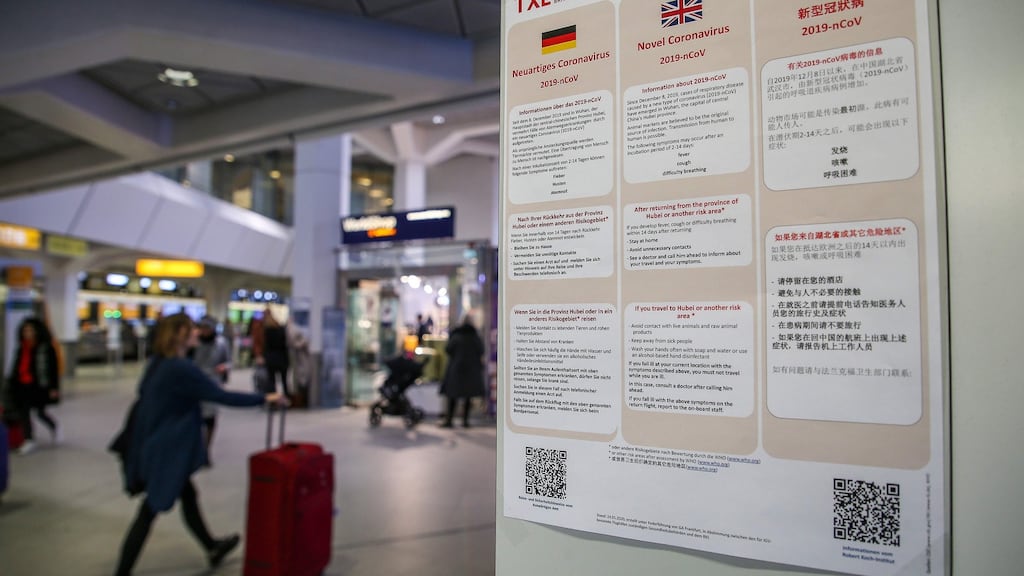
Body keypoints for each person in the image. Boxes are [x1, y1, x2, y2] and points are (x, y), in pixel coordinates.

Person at [113, 313, 285, 576]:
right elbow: (220, 396)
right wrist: (265, 398)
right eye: (191, 330)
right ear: (180, 334)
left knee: (188, 496)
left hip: (154, 441)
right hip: (168, 450)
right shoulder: (180, 369)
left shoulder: (159, 363)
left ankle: (211, 546)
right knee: (150, 509)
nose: (196, 333)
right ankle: (122, 571)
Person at [4, 317, 61, 455]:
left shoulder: (45, 348)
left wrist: (54, 388)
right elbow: (16, 367)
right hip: (22, 386)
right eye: (25, 330)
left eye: (30, 330)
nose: (27, 333)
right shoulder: (22, 347)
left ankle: (54, 427)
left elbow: (53, 370)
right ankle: (29, 439)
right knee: (24, 413)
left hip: (38, 386)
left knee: (40, 413)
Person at [191, 316, 232, 464]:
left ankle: (205, 451)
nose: (204, 331)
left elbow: (228, 361)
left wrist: (224, 369)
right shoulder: (194, 343)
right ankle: (196, 450)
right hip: (195, 383)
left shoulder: (221, 343)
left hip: (212, 383)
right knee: (195, 419)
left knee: (210, 419)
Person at [440, 314, 485, 428]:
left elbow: (448, 349)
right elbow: (481, 351)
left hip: (457, 369)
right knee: (468, 397)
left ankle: (449, 420)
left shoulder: (456, 336)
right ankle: (465, 421)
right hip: (471, 370)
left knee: (452, 395)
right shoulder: (475, 337)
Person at [254, 308, 291, 398]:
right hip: (282, 358)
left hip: (271, 359)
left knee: (271, 381)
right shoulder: (281, 329)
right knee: (284, 381)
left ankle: (273, 400)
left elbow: (261, 344)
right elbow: (285, 344)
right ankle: (286, 399)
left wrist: (260, 355)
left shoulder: (265, 330)